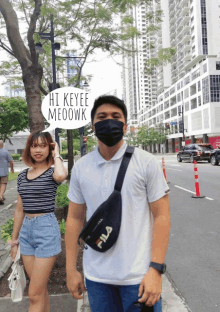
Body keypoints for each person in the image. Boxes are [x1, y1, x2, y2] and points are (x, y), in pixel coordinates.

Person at [65, 95, 171, 312]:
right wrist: (71, 269)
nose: (109, 121)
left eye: (116, 116)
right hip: (96, 278)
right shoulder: (81, 168)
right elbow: (74, 218)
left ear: (125, 126)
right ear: (93, 125)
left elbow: (161, 216)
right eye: (102, 117)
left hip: (139, 277)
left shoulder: (145, 162)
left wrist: (156, 270)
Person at [10, 131, 67, 312]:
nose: (38, 150)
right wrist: (14, 240)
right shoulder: (22, 176)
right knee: (39, 290)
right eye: (34, 146)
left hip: (46, 229)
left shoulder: (52, 173)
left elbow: (61, 176)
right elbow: (19, 209)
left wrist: (57, 153)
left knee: (33, 294)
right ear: (29, 149)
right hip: (26, 232)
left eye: (43, 146)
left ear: (49, 148)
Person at [0, 140, 14, 204]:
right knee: (3, 184)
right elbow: (11, 161)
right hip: (4, 172)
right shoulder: (6, 152)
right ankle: (1, 197)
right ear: (2, 145)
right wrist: (12, 169)